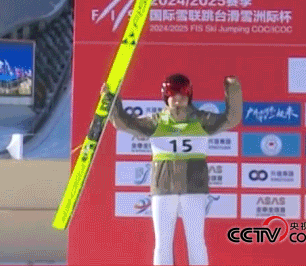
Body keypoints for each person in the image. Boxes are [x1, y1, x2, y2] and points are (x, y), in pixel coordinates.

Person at [103, 73, 243, 266]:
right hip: (164, 189)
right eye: (173, 95)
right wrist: (111, 99)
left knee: (196, 242)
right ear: (165, 97)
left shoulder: (201, 120)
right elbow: (123, 123)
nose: (178, 100)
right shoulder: (156, 121)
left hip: (193, 188)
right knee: (162, 244)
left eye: (182, 95)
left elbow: (232, 118)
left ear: (189, 96)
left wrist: (232, 88)